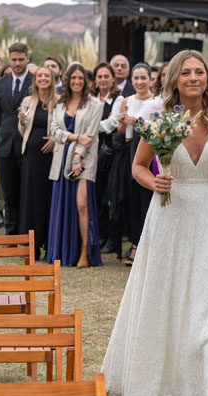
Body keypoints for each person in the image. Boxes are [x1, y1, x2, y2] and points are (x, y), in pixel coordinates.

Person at [102, 50, 208, 396]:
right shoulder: (162, 119)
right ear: (175, 79)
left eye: (200, 72)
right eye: (186, 73)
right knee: (167, 296)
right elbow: (138, 167)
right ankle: (164, 386)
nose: (194, 78)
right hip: (169, 213)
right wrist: (155, 181)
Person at [47, 64, 103, 268]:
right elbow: (54, 132)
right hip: (61, 158)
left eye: (81, 78)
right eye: (73, 78)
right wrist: (75, 136)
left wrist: (78, 157)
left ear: (86, 81)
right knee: (63, 204)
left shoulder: (95, 104)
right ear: (68, 80)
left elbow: (90, 134)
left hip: (85, 158)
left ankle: (85, 251)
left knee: (82, 204)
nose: (77, 82)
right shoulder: (59, 103)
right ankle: (62, 251)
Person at [17, 66, 58, 260]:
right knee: (31, 200)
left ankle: (48, 242)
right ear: (35, 80)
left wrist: (55, 140)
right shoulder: (28, 101)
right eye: (39, 75)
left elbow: (63, 125)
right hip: (32, 157)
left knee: (49, 199)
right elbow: (23, 130)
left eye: (46, 76)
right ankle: (32, 246)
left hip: (51, 157)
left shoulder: (58, 101)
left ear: (53, 79)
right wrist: (22, 121)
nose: (43, 79)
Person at [0, 42, 33, 235]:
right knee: (9, 193)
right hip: (5, 146)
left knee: (26, 192)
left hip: (27, 145)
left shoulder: (35, 82)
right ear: (9, 59)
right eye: (14, 59)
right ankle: (10, 233)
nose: (17, 63)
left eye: (21, 59)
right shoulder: (0, 83)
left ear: (27, 59)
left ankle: (26, 234)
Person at [116, 63, 154, 266]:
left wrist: (136, 123)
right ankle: (134, 243)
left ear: (150, 79)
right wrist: (123, 122)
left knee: (146, 200)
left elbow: (158, 127)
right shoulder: (126, 101)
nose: (140, 82)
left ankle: (147, 245)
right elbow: (122, 132)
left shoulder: (157, 101)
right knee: (130, 200)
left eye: (143, 78)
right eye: (136, 78)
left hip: (150, 152)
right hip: (130, 151)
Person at [94, 62, 124, 255]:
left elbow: (113, 123)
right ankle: (101, 235)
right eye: (100, 76)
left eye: (107, 76)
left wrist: (92, 125)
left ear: (113, 78)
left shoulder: (119, 99)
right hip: (94, 153)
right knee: (98, 197)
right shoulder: (92, 98)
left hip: (112, 152)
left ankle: (113, 239)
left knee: (111, 197)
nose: (103, 79)